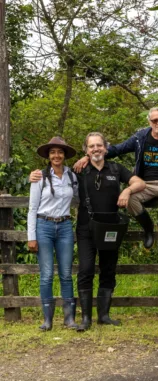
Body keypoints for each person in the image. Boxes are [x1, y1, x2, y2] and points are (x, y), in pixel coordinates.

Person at [32, 108, 158, 249]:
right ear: (149, 122)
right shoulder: (140, 138)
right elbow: (116, 149)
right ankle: (148, 228)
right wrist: (88, 156)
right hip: (145, 184)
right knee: (128, 199)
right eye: (155, 120)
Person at [74, 132, 146, 331]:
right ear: (86, 150)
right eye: (91, 147)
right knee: (86, 270)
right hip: (86, 228)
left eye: (99, 145)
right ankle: (86, 318)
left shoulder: (116, 168)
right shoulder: (79, 169)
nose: (96, 149)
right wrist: (37, 175)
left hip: (110, 228)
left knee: (108, 270)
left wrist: (127, 190)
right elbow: (57, 176)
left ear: (106, 148)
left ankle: (104, 316)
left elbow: (140, 183)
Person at [27, 137, 80, 331]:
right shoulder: (39, 176)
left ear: (64, 155)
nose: (56, 155)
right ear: (48, 156)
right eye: (52, 152)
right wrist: (31, 236)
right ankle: (47, 320)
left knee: (66, 274)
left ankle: (69, 319)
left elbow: (80, 197)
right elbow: (32, 208)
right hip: (44, 226)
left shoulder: (72, 177)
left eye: (60, 152)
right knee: (47, 274)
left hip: (65, 226)